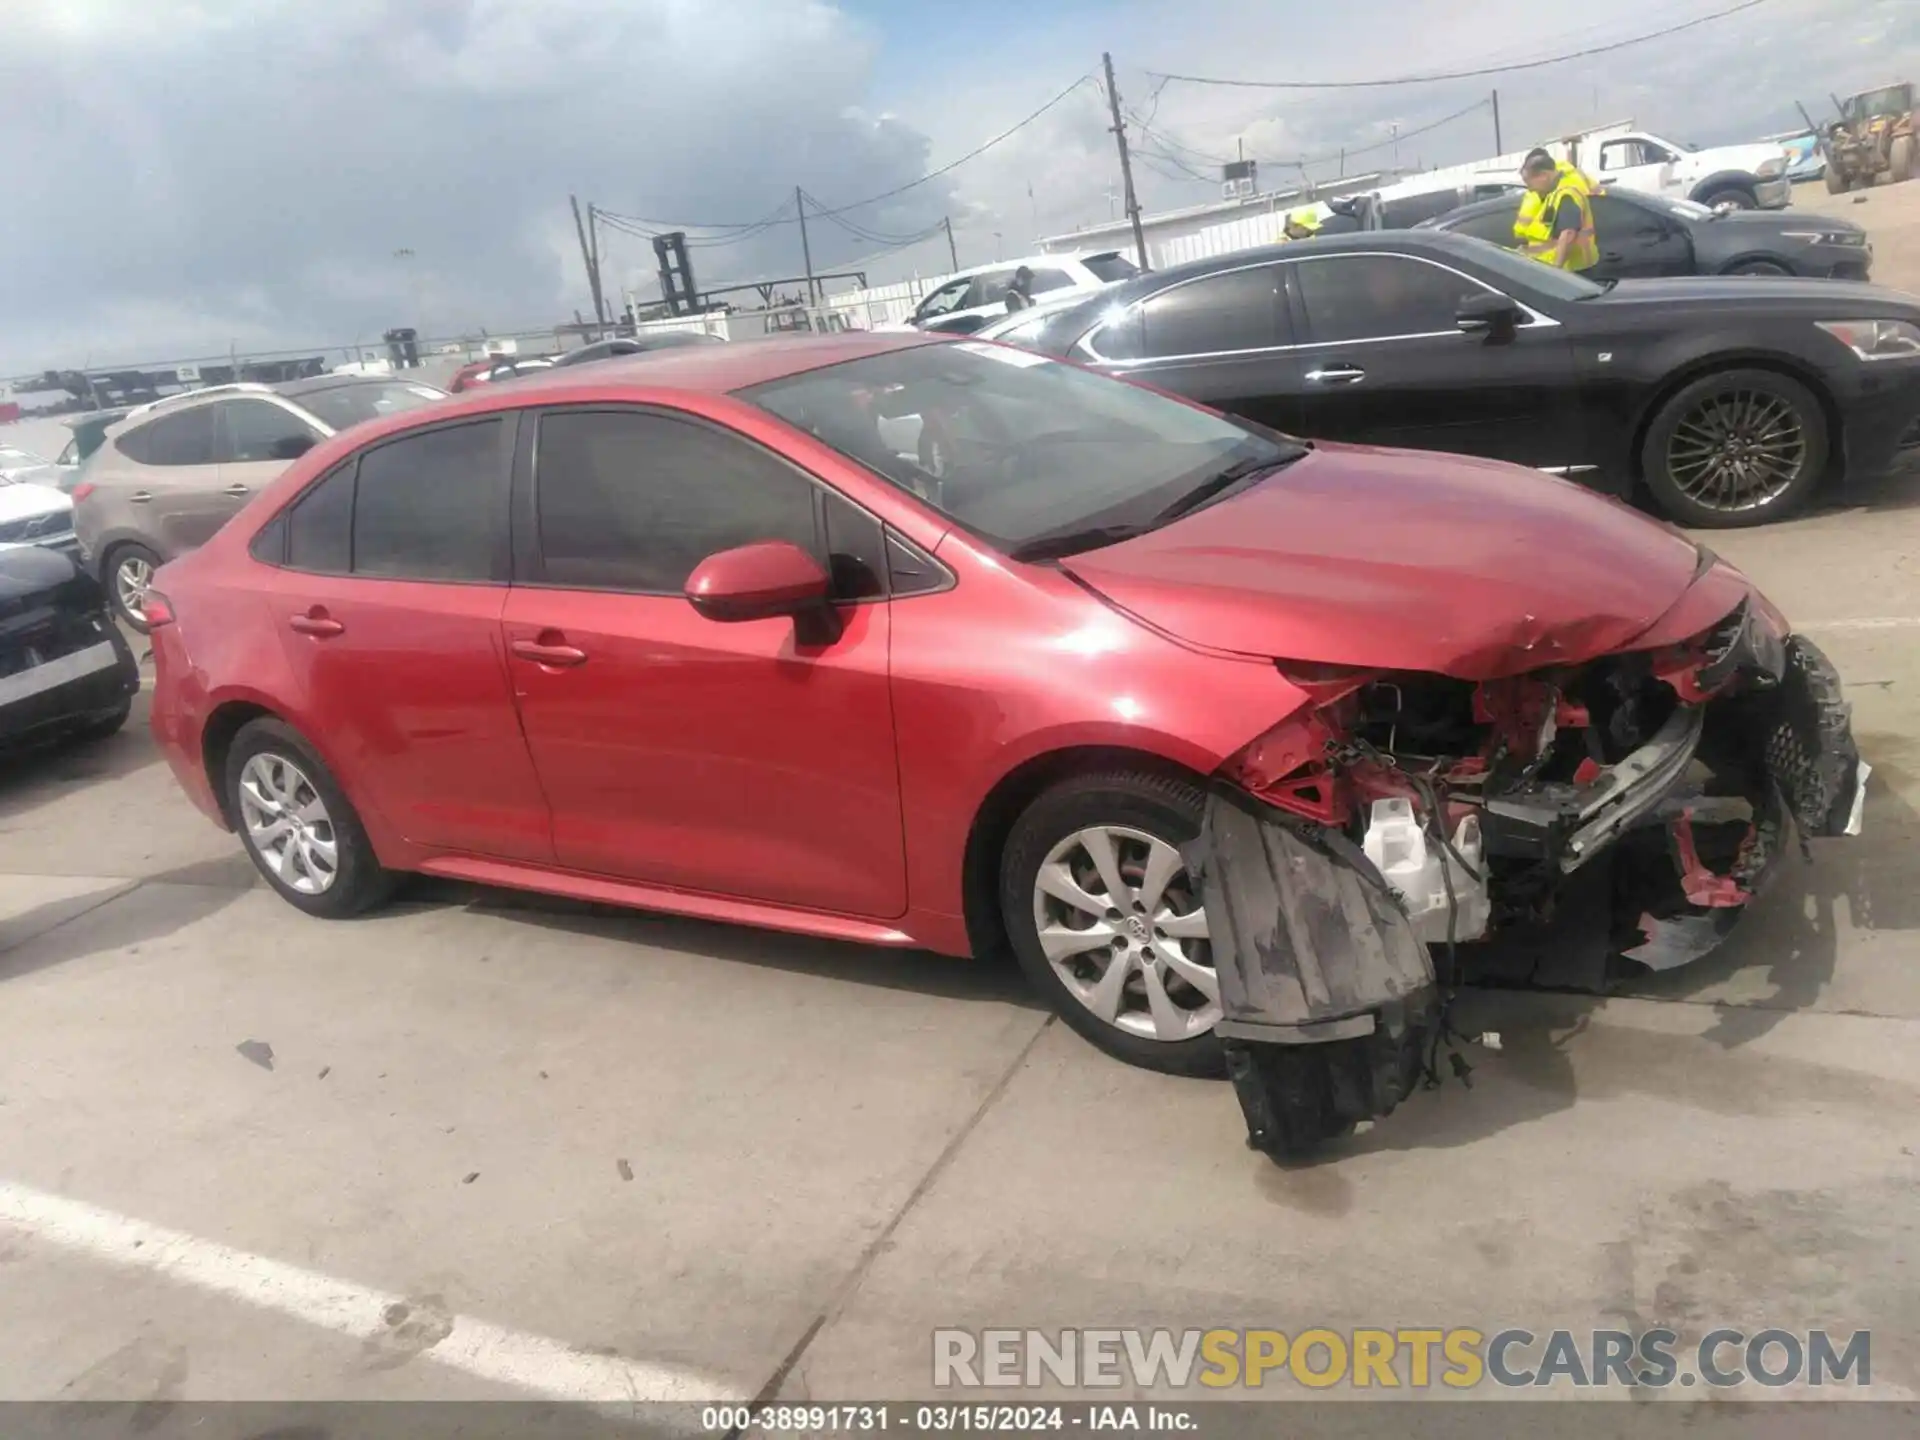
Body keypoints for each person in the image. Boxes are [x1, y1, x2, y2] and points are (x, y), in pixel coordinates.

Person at [1514, 150, 1598, 271]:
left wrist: (1556, 271)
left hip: (1573, 272)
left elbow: (1568, 234)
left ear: (1543, 176)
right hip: (1565, 271)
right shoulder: (1553, 193)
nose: (1530, 190)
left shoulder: (1566, 193)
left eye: (1529, 183)